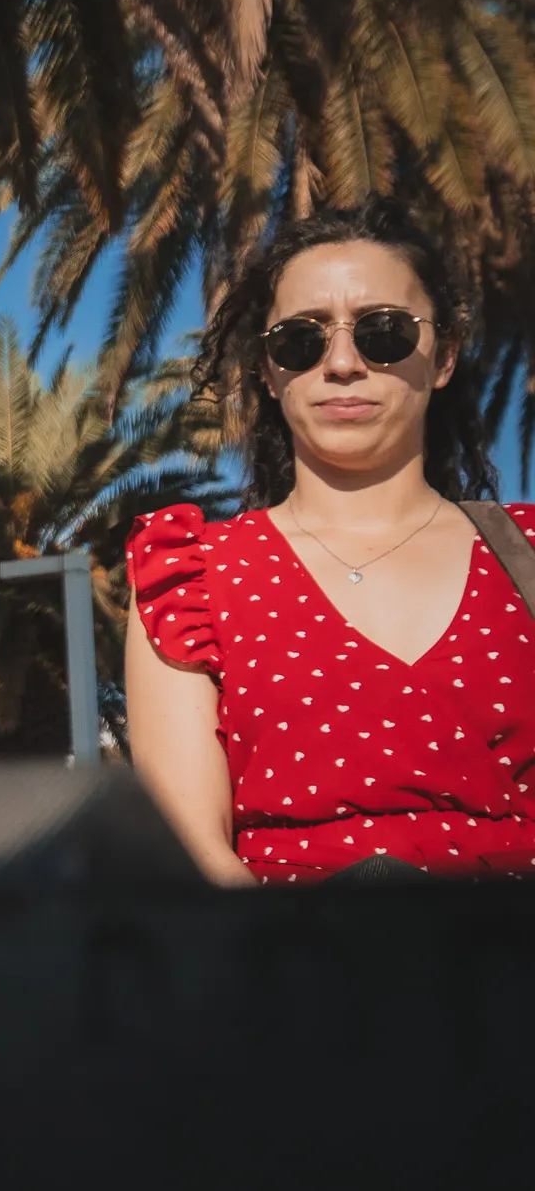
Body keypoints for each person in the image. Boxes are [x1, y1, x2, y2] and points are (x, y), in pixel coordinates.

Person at [126, 200, 535, 884]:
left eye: (383, 331)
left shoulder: (525, 550)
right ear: (267, 369)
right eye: (300, 340)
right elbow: (193, 857)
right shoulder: (194, 578)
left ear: (446, 355)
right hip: (290, 970)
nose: (341, 362)